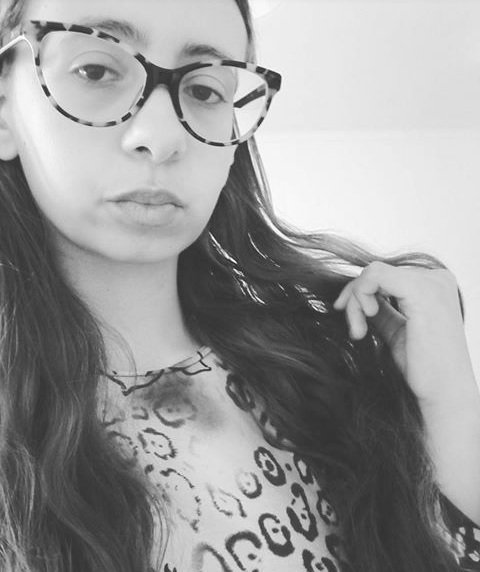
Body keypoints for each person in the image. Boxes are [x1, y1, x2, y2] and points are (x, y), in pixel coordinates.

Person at [0, 0, 477, 571]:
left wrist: (452, 409)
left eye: (205, 90)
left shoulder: (320, 381)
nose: (160, 136)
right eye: (95, 70)